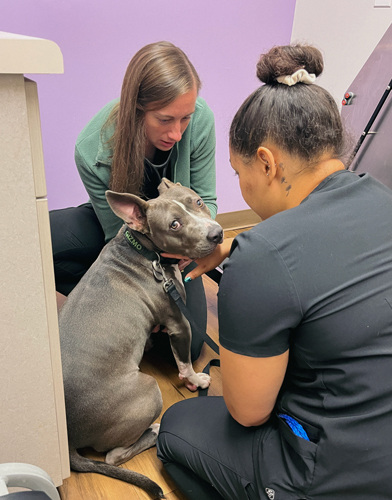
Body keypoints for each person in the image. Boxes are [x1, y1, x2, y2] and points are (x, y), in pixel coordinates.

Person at [156, 44, 392, 499]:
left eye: (239, 172)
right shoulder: (381, 198)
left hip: (333, 475)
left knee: (177, 427)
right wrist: (234, 247)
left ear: (266, 162)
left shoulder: (262, 257)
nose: (242, 187)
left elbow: (249, 414)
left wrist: (246, 258)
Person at [50, 41, 217, 361]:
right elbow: (119, 234)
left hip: (181, 240)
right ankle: (102, 308)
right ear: (136, 109)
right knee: (42, 242)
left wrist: (186, 252)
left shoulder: (201, 119)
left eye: (185, 119)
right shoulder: (91, 148)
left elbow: (206, 199)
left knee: (189, 344)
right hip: (127, 236)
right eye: (165, 119)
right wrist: (145, 295)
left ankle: (116, 310)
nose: (178, 133)